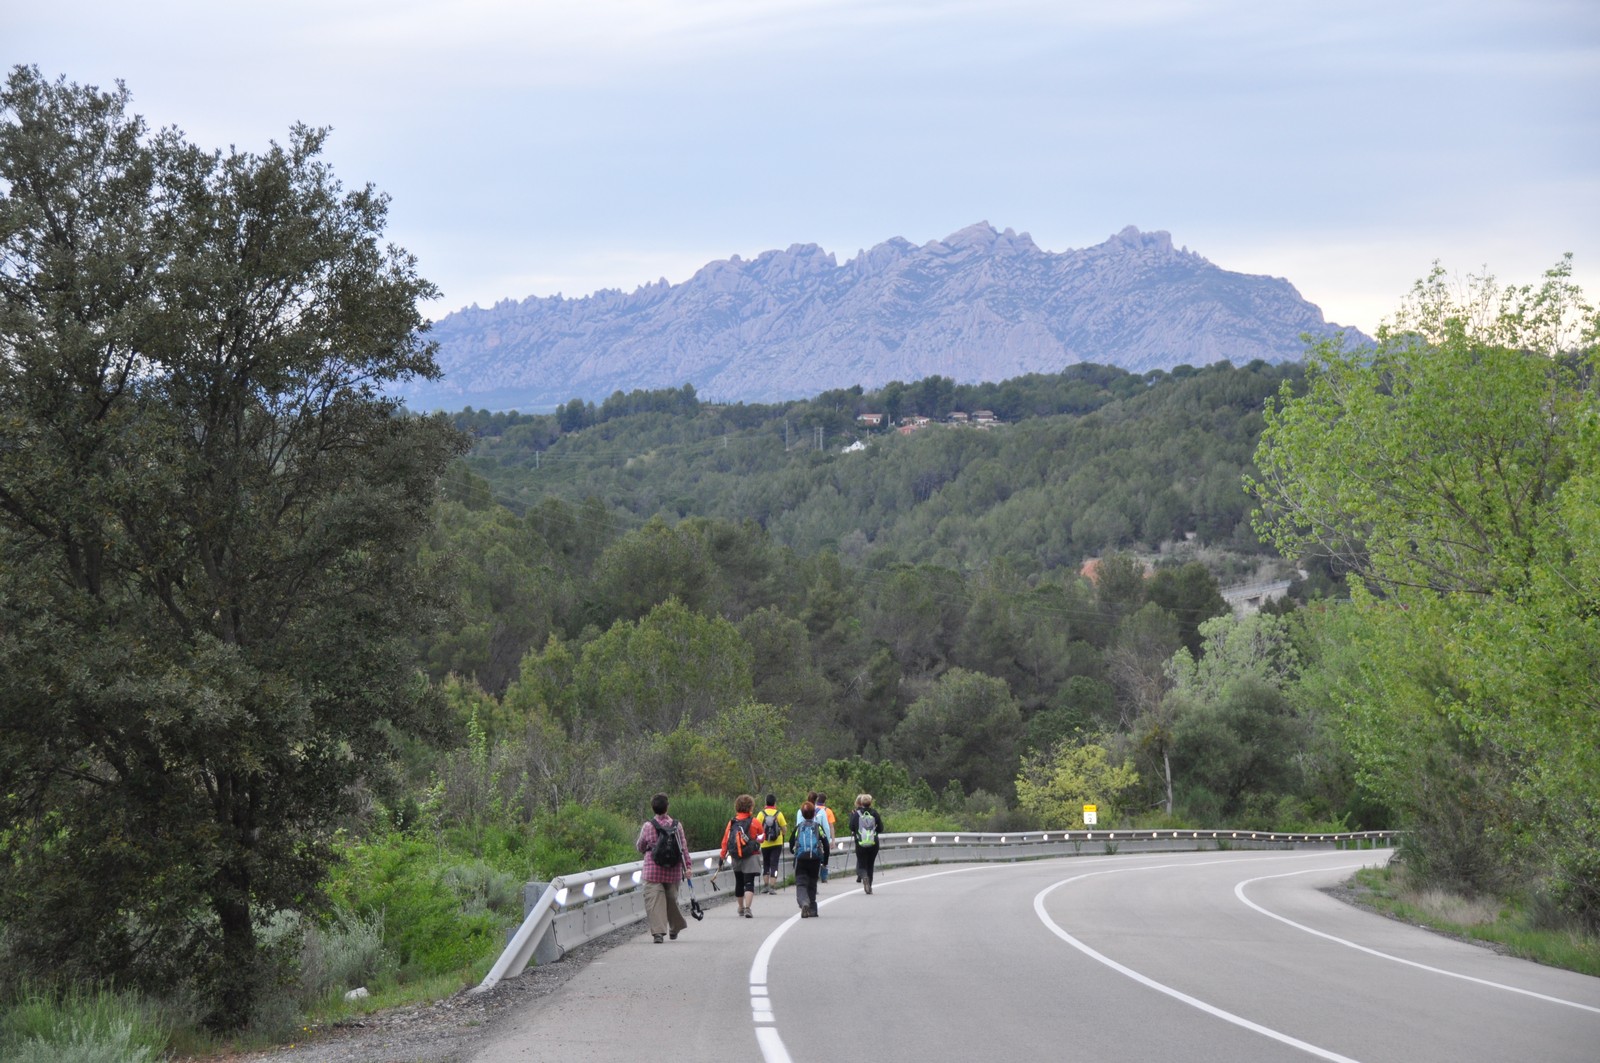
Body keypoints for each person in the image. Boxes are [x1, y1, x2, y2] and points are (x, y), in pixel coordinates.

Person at [635, 792, 691, 943]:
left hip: (652, 870)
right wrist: (688, 867)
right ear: (667, 807)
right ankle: (675, 927)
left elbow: (640, 847)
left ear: (653, 808)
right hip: (673, 871)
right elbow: (683, 848)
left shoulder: (648, 826)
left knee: (654, 902)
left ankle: (658, 933)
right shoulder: (676, 826)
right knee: (672, 901)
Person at [719, 793, 765, 919]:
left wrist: (722, 856)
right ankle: (748, 908)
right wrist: (755, 840)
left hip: (736, 856)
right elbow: (762, 838)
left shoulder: (732, 823)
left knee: (739, 881)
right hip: (751, 856)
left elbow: (725, 840)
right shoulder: (754, 822)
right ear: (750, 807)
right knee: (749, 882)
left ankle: (740, 907)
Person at [790, 801, 826, 918]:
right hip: (815, 859)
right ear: (814, 814)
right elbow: (825, 843)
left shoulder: (799, 827)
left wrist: (795, 853)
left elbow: (791, 843)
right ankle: (813, 909)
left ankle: (804, 902)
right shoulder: (818, 827)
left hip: (801, 859)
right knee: (812, 883)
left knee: (801, 883)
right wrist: (824, 861)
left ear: (802, 814)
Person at [850, 793, 885, 894]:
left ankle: (864, 876)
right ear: (871, 803)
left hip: (860, 843)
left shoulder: (856, 814)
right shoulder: (875, 813)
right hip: (873, 843)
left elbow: (851, 827)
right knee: (870, 864)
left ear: (861, 803)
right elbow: (881, 828)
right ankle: (869, 886)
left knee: (862, 864)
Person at [758, 794, 788, 894]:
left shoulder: (761, 814)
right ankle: (772, 887)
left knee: (766, 864)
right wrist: (781, 833)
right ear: (775, 803)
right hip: (777, 843)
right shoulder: (779, 814)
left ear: (765, 802)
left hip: (765, 843)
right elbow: (784, 830)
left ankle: (765, 886)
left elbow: (757, 829)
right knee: (774, 864)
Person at [815, 791, 836, 881]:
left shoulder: (812, 809)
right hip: (824, 837)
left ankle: (814, 875)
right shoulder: (828, 811)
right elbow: (831, 826)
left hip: (814, 836)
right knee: (825, 856)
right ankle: (824, 877)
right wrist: (832, 840)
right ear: (825, 801)